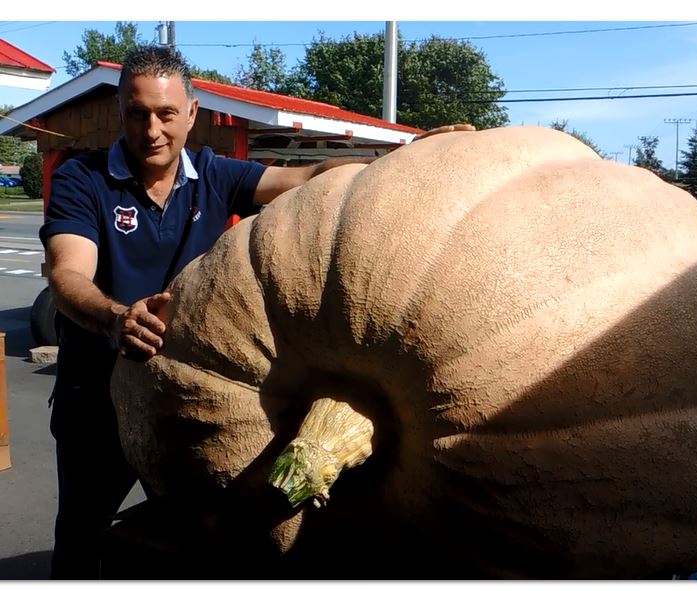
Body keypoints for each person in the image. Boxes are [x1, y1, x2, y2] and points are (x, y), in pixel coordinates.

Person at [39, 43, 473, 579]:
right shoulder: (84, 179)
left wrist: (399, 159)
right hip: (96, 401)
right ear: (120, 112)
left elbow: (310, 176)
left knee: (191, 535)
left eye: (167, 114)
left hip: (179, 400)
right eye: (138, 113)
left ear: (192, 114)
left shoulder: (218, 176)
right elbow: (67, 274)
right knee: (82, 537)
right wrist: (114, 316)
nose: (152, 129)